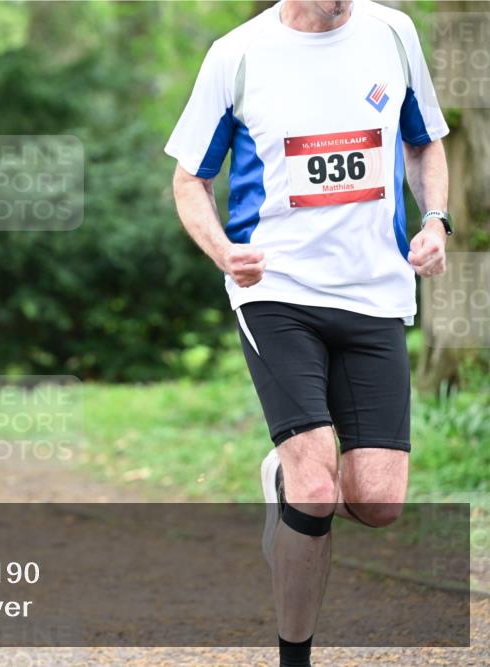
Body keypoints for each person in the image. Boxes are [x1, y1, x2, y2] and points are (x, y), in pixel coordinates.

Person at [165, 1, 449, 665]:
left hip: (376, 291)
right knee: (318, 486)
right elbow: (189, 180)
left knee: (377, 502)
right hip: (276, 289)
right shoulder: (235, 56)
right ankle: (295, 655)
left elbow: (424, 141)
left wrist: (434, 220)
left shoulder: (393, 33)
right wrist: (222, 252)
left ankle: (285, 481)